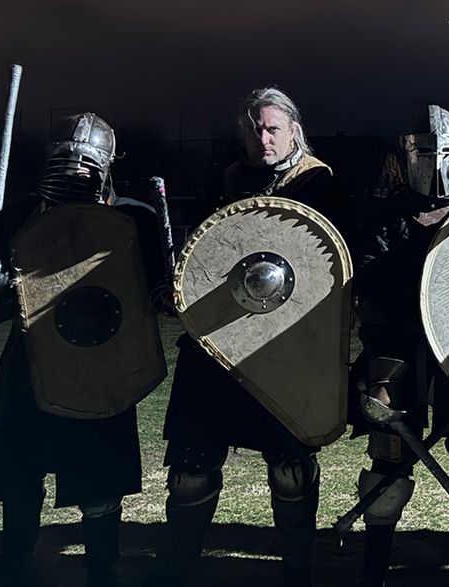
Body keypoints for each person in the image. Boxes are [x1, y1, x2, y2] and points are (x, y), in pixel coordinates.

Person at [0, 113, 167, 587]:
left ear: (105, 168)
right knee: (20, 469)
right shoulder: (19, 215)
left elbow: (155, 294)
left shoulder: (132, 218)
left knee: (99, 475)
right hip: (31, 358)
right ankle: (15, 559)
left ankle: (101, 568)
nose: (74, 176)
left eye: (85, 167)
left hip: (104, 359)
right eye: (65, 166)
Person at [144, 88, 338, 587]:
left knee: (291, 469)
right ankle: (176, 568)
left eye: (273, 128)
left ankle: (297, 568)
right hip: (218, 341)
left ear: (294, 129)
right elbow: (202, 252)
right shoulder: (224, 181)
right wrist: (178, 288)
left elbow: (335, 268)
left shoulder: (319, 184)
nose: (263, 138)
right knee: (191, 467)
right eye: (254, 128)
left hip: (285, 346)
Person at [350, 104, 449, 586]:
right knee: (386, 470)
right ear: (405, 157)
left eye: (442, 151)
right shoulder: (384, 214)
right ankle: (373, 571)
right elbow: (369, 290)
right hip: (397, 351)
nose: (432, 161)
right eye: (421, 151)